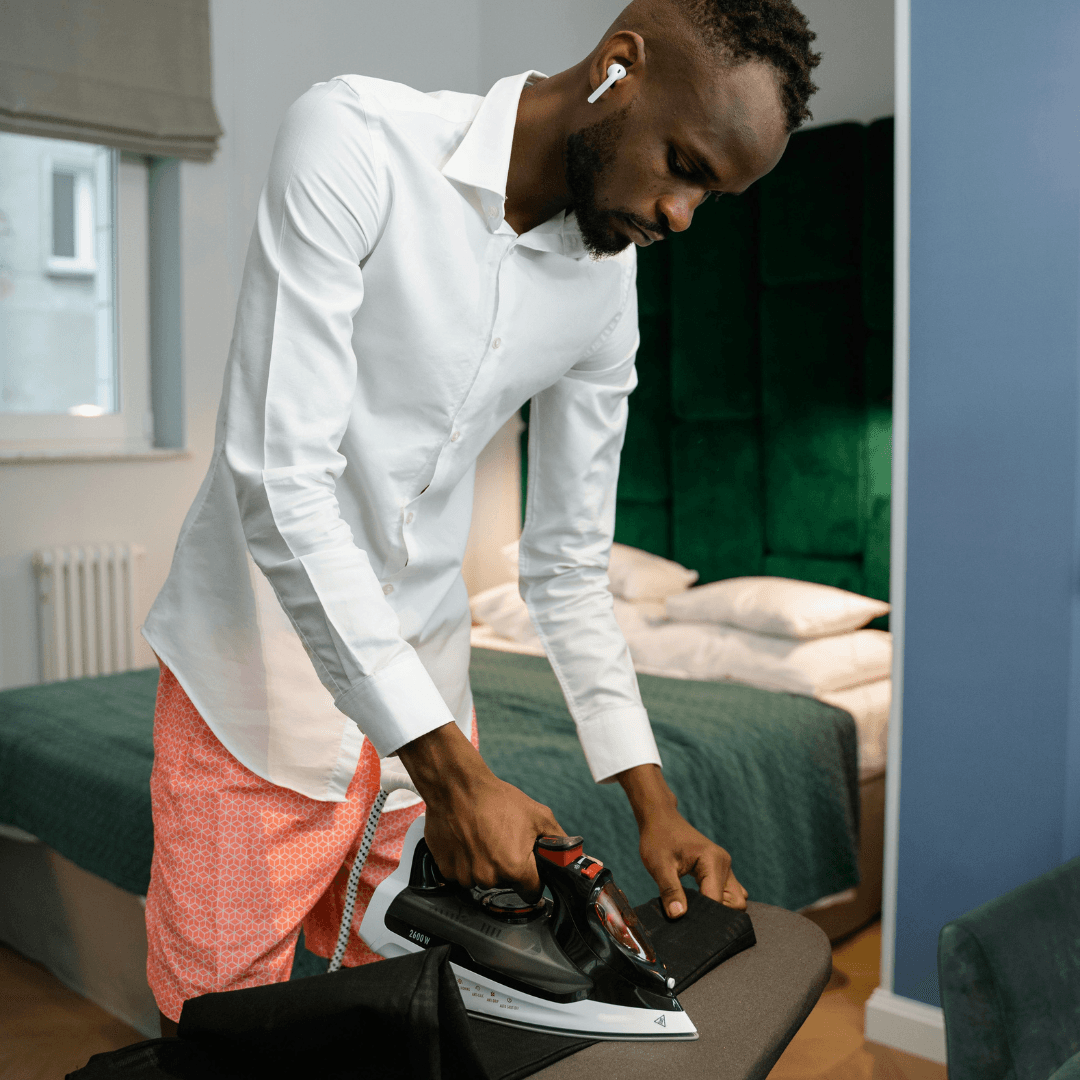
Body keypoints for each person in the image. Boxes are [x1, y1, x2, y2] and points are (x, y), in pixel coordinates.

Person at [143, 0, 820, 1034]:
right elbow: (281, 480)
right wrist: (454, 778)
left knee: (394, 1019)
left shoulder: (607, 286)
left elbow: (567, 565)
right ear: (619, 67)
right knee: (218, 1030)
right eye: (683, 166)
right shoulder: (356, 140)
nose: (683, 215)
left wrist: (654, 803)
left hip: (432, 691)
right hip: (257, 691)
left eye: (711, 197)